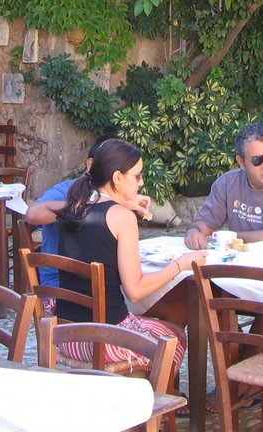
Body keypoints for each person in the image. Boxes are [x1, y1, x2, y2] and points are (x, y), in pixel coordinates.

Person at [25, 138, 204, 371]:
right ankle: (153, 400)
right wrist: (180, 265)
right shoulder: (122, 217)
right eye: (137, 176)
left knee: (160, 323)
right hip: (105, 340)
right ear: (117, 178)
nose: (142, 182)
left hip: (68, 337)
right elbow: (135, 291)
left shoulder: (73, 206)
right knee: (174, 337)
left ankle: (143, 390)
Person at [184, 123, 263, 250]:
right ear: (241, 162)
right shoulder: (227, 184)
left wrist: (229, 238)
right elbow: (203, 224)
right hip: (240, 262)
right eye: (258, 160)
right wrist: (193, 233)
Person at [33, 133, 119, 289]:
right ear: (91, 166)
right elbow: (33, 215)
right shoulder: (66, 191)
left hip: (102, 285)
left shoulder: (118, 195)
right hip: (62, 289)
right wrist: (87, 202)